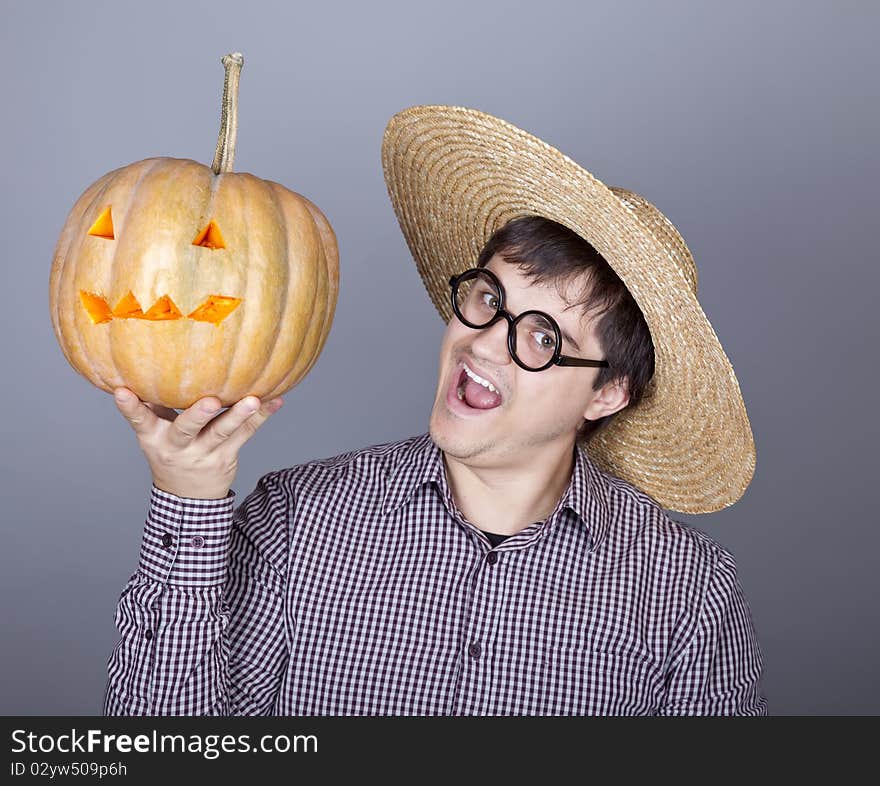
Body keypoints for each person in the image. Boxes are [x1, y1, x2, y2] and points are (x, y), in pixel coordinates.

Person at [103, 105, 768, 716]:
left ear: (608, 393)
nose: (482, 343)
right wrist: (187, 496)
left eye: (542, 338)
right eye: (487, 298)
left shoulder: (686, 592)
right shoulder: (295, 520)